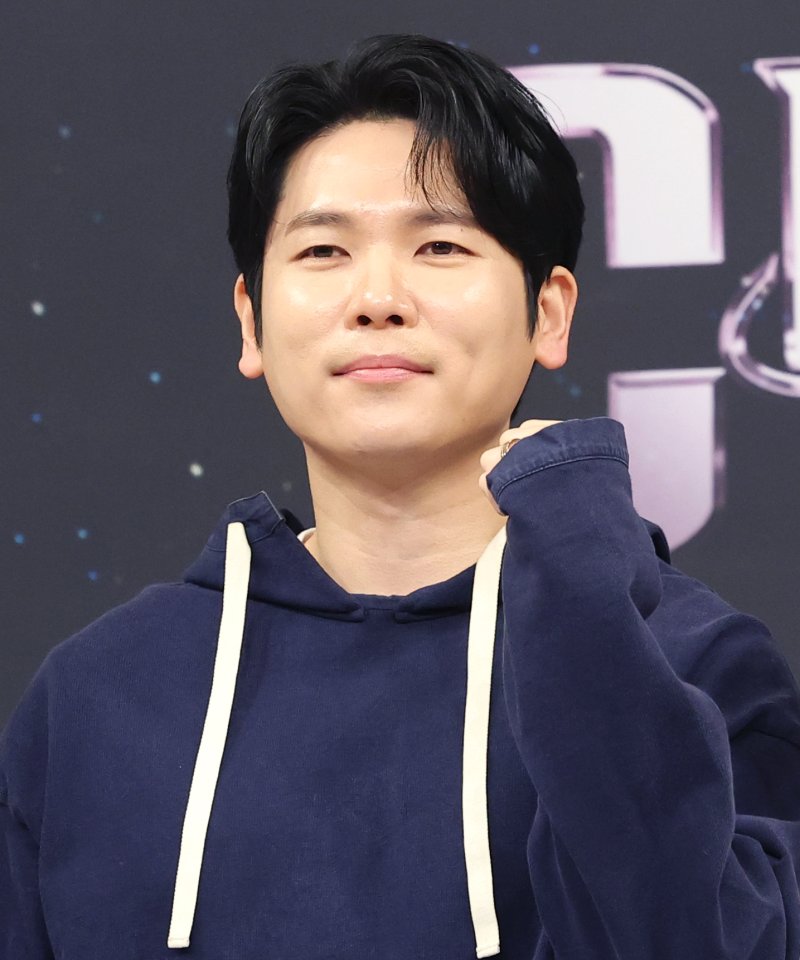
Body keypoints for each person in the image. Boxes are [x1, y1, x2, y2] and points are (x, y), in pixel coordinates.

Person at [2, 33, 800, 960]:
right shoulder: (97, 696)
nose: (377, 298)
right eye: (323, 250)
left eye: (441, 245)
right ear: (251, 321)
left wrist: (583, 585)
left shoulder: (694, 665)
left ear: (548, 313)